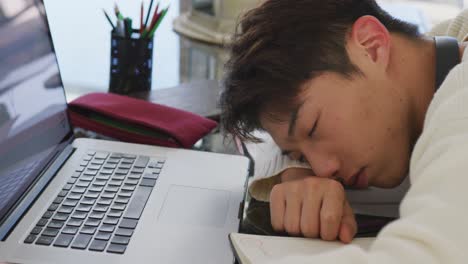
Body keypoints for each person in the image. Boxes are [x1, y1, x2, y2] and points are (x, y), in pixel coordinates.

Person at [220, 0, 468, 262]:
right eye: (301, 155)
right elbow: (265, 137)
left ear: (371, 45)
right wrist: (296, 171)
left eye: (314, 127)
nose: (324, 170)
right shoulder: (437, 52)